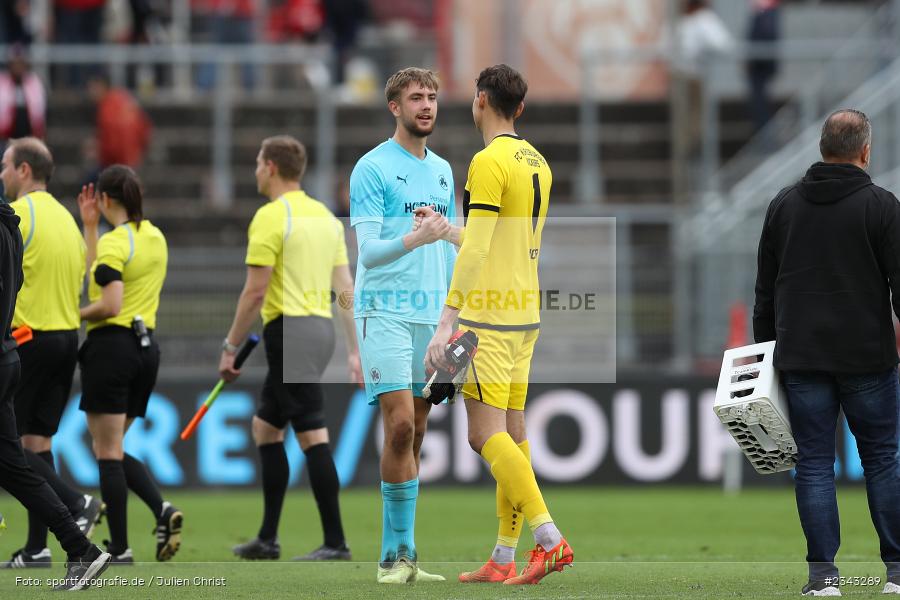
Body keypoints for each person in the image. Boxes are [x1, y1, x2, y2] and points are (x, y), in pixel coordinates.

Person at [423, 64, 573, 585]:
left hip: (488, 317)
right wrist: (448, 231)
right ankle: (504, 555)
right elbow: (493, 238)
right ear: (521, 108)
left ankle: (549, 540)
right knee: (512, 431)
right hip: (524, 314)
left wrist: (447, 319)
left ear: (480, 100)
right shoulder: (537, 161)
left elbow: (481, 250)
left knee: (482, 434)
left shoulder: (487, 162)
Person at [753, 109, 900, 597]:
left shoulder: (783, 205)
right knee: (882, 460)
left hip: (802, 357)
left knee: (814, 465)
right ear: (865, 152)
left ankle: (823, 578)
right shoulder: (882, 207)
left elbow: (765, 292)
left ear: (822, 148)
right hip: (868, 356)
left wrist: (764, 355)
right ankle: (897, 573)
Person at [221, 135, 360, 561]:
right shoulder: (326, 218)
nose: (255, 171)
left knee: (312, 434)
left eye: (258, 163)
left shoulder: (271, 216)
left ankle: (335, 542)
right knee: (266, 427)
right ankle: (267, 538)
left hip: (291, 332)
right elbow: (345, 289)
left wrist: (230, 345)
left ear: (272, 167)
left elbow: (255, 292)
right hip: (320, 331)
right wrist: (354, 349)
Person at [349, 67, 455, 584]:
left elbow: (451, 247)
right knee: (399, 427)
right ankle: (394, 559)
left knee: (417, 434)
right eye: (416, 98)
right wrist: (417, 238)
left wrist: (455, 318)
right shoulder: (371, 168)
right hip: (385, 312)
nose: (426, 105)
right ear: (394, 107)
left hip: (431, 318)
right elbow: (368, 253)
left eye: (432, 96)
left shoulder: (443, 170)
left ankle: (404, 556)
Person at [0, 167, 111, 590]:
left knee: (19, 459)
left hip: (29, 341)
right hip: (16, 351)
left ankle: (72, 519)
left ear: (24, 170)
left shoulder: (22, 216)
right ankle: (80, 548)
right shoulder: (15, 224)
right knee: (18, 463)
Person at [76, 164, 181, 565]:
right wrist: (91, 229)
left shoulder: (115, 242)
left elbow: (108, 303)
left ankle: (119, 549)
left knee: (106, 451)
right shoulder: (154, 236)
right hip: (146, 349)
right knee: (113, 447)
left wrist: (72, 315)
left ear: (104, 199)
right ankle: (161, 510)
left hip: (112, 348)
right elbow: (101, 278)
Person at [746, 0, 780, 135]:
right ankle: (764, 134)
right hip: (760, 65)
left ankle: (765, 135)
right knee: (759, 102)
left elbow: (765, 36)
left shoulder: (766, 13)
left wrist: (754, 58)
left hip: (761, 66)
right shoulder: (765, 13)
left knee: (760, 103)